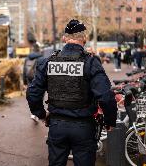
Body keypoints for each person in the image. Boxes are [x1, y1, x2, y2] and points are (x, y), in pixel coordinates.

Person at [26, 19, 117, 166]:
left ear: (64, 38)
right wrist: (110, 121)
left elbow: (33, 92)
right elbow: (106, 96)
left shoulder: (48, 62)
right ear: (84, 39)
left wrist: (41, 114)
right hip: (84, 127)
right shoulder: (91, 62)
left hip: (57, 126)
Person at [23, 43, 43, 123]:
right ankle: (35, 114)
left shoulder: (27, 58)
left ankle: (33, 113)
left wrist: (24, 81)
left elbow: (24, 71)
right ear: (39, 49)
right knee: (39, 96)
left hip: (29, 78)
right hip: (38, 79)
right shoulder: (41, 58)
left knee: (31, 95)